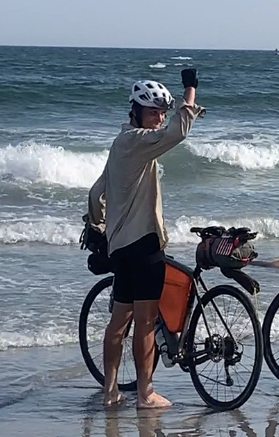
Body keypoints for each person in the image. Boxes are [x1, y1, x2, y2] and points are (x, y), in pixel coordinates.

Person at [87, 70, 205, 408]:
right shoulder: (139, 141)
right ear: (136, 112)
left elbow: (97, 193)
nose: (159, 119)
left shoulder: (121, 143)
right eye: (153, 112)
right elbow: (178, 132)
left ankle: (111, 392)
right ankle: (145, 393)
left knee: (119, 321)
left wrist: (98, 227)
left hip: (121, 247)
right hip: (144, 246)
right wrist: (190, 90)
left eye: (162, 112)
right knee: (144, 324)